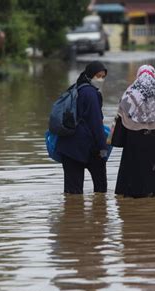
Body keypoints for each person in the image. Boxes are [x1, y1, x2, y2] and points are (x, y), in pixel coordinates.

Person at [111, 65, 155, 198]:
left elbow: (120, 118)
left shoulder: (129, 95)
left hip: (134, 140)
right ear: (153, 76)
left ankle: (135, 194)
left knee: (135, 168)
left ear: (138, 76)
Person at [57, 61, 108, 194]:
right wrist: (103, 149)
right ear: (90, 75)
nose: (101, 80)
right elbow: (96, 124)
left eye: (103, 76)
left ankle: (72, 214)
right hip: (88, 148)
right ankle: (99, 213)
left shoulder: (75, 88)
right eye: (98, 76)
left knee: (72, 194)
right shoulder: (91, 94)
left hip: (68, 147)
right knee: (101, 192)